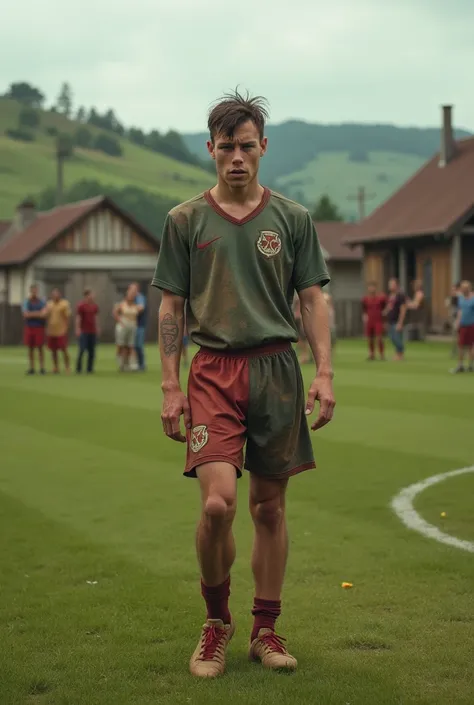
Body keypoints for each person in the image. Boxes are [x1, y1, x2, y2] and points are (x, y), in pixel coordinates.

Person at [152, 90, 335, 679]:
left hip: (277, 369)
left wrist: (325, 372)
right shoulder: (184, 220)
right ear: (210, 150)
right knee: (217, 504)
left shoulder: (292, 219)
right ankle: (215, 622)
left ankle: (265, 628)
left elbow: (312, 298)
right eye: (226, 146)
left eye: (247, 146)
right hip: (212, 372)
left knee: (270, 509)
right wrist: (169, 385)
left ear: (263, 149)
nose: (237, 156)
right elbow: (171, 308)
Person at [113, 286, 143, 371]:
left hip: (132, 326)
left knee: (130, 345)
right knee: (121, 345)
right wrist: (120, 321)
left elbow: (141, 309)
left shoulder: (135, 305)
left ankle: (131, 364)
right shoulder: (122, 304)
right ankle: (121, 363)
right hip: (123, 326)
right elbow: (115, 312)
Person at [45, 288, 71, 373]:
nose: (55, 296)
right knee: (53, 350)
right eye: (54, 294)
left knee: (64, 349)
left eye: (57, 294)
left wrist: (67, 327)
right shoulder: (49, 304)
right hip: (51, 330)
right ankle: (55, 367)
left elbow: (67, 316)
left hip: (61, 330)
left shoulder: (64, 304)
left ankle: (67, 367)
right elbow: (45, 315)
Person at [22, 284, 46, 375]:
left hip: (39, 327)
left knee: (40, 347)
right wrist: (38, 314)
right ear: (30, 291)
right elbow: (25, 315)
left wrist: (32, 314)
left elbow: (44, 314)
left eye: (35, 290)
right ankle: (31, 367)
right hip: (30, 327)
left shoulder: (42, 302)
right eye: (33, 290)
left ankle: (42, 367)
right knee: (30, 348)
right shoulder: (26, 302)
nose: (34, 292)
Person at [451, 280, 474, 374]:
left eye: (465, 288)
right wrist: (457, 322)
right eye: (462, 288)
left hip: (472, 325)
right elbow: (460, 311)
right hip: (463, 325)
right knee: (461, 345)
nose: (464, 290)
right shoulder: (461, 298)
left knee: (471, 346)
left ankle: (471, 365)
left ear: (469, 288)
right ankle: (460, 365)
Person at [75, 289, 100, 374]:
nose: (93, 296)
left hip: (92, 331)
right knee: (82, 349)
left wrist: (97, 327)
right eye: (91, 295)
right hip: (84, 331)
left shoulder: (95, 306)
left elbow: (96, 317)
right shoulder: (81, 306)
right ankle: (79, 368)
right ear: (87, 295)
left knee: (92, 351)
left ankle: (89, 368)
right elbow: (78, 317)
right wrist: (78, 328)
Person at [361, 282, 387, 361]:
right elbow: (363, 308)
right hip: (370, 320)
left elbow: (385, 306)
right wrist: (364, 316)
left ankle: (382, 354)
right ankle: (371, 354)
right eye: (370, 287)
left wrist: (384, 313)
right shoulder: (365, 299)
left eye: (373, 287)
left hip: (378, 320)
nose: (372, 289)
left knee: (379, 337)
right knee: (370, 338)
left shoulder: (381, 298)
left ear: (376, 288)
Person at [385, 278, 407, 361]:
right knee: (392, 337)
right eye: (389, 284)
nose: (390, 286)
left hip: (397, 321)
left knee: (397, 338)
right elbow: (389, 307)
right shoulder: (390, 296)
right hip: (390, 320)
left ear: (396, 285)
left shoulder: (400, 296)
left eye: (392, 284)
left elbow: (403, 309)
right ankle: (398, 353)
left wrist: (400, 322)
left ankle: (400, 354)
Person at [292, 292, 311, 363]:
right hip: (298, 318)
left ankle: (305, 356)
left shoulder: (301, 297)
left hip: (300, 319)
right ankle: (305, 356)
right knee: (300, 339)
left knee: (302, 339)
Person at [134, 283, 147, 371]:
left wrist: (130, 309)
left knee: (139, 345)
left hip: (140, 325)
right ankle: (135, 363)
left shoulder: (140, 298)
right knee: (133, 346)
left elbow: (141, 308)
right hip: (132, 325)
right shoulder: (131, 299)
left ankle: (142, 364)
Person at [445, 283, 461, 357]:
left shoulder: (460, 297)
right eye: (452, 290)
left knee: (458, 335)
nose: (453, 291)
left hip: (461, 319)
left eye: (454, 289)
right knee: (455, 336)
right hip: (454, 318)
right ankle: (455, 350)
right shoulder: (451, 298)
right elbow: (447, 306)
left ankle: (459, 350)